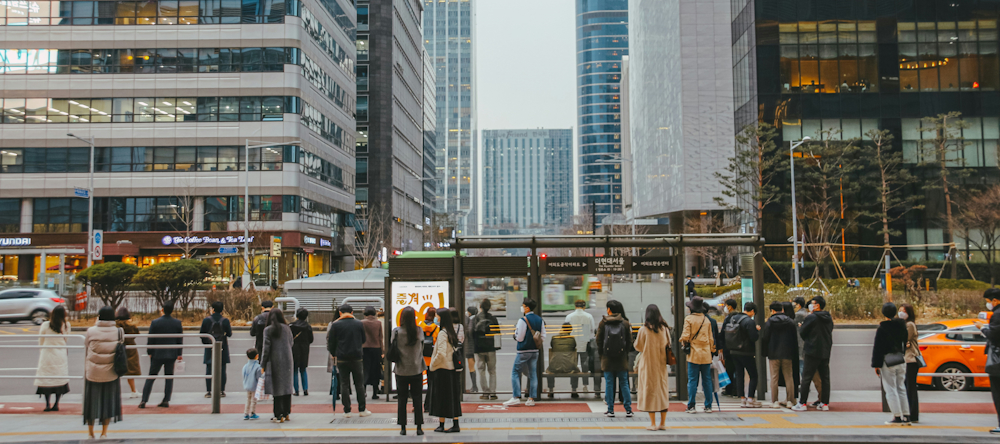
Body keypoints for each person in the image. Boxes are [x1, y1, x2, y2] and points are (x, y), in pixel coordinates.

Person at [83, 306, 123, 439]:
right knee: (108, 402)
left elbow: (87, 346)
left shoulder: (91, 331)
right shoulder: (119, 332)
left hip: (93, 372)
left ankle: (90, 433)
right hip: (111, 372)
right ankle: (104, 433)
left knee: (91, 403)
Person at [327, 304, 370, 417]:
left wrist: (333, 353)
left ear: (340, 313)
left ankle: (347, 410)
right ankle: (362, 409)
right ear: (352, 312)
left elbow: (331, 342)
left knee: (344, 384)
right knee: (359, 384)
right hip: (357, 357)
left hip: (342, 358)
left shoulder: (335, 325)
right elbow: (363, 339)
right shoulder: (358, 323)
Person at [871, 302, 910, 425]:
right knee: (901, 388)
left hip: (887, 361)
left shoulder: (882, 328)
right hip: (900, 359)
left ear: (883, 313)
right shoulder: (902, 326)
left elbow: (878, 348)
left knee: (890, 389)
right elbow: (905, 341)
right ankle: (907, 416)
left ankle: (897, 417)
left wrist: (876, 365)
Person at [793, 296, 834, 411]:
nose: (811, 305)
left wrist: (803, 329)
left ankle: (802, 403)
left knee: (806, 377)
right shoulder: (828, 317)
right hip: (825, 350)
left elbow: (803, 332)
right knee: (825, 377)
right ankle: (824, 403)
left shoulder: (812, 317)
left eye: (813, 303)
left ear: (818, 305)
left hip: (812, 350)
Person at [633, 304, 671, 430]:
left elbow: (638, 346)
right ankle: (663, 423)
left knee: (650, 391)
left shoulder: (643, 330)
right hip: (661, 365)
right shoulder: (664, 329)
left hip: (648, 365)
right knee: (662, 391)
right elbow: (668, 343)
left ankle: (653, 424)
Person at [140, 301, 183, 409]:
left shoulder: (155, 322)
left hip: (157, 353)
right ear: (172, 310)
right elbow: (179, 339)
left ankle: (144, 400)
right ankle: (166, 399)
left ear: (162, 310)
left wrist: (149, 352)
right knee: (169, 377)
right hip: (171, 353)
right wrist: (179, 353)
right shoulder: (177, 323)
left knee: (151, 376)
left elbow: (151, 338)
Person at [504, 298, 546, 407]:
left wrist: (515, 335)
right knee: (533, 374)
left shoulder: (523, 320)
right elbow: (543, 336)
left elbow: (520, 337)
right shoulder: (539, 319)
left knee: (515, 372)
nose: (522, 308)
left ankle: (516, 397)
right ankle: (531, 399)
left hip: (523, 350)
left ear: (527, 308)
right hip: (535, 351)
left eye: (523, 306)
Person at [392, 306, 426, 435]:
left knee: (402, 399)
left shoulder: (396, 332)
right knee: (417, 398)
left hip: (401, 370)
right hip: (416, 369)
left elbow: (392, 346)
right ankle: (419, 427)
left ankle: (403, 428)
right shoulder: (419, 331)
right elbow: (422, 348)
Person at [595, 299, 632, 417]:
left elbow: (598, 340)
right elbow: (629, 342)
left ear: (609, 310)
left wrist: (602, 355)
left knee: (609, 384)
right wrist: (624, 353)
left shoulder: (603, 322)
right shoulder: (625, 323)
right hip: (622, 358)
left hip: (607, 359)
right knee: (624, 383)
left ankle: (610, 409)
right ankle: (628, 409)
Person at [680, 296, 715, 414]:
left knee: (692, 381)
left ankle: (691, 406)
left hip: (694, 354)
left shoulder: (689, 319)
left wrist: (683, 342)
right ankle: (708, 406)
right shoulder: (707, 320)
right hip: (706, 354)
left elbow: (685, 336)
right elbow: (711, 339)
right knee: (707, 381)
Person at [429, 308, 461, 433]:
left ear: (441, 318)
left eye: (437, 316)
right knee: (452, 397)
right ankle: (454, 424)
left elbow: (441, 353)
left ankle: (442, 424)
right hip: (451, 369)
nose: (435, 318)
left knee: (441, 398)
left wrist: (433, 364)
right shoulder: (450, 331)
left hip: (442, 369)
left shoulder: (442, 333)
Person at [724, 301, 760, 407]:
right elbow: (754, 337)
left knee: (739, 374)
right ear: (752, 311)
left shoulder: (733, 318)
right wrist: (757, 330)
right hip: (746, 352)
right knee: (753, 375)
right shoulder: (749, 321)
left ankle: (742, 399)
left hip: (733, 351)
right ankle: (750, 399)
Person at [761, 301, 797, 408]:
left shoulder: (770, 322)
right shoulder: (790, 322)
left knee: (774, 377)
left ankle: (775, 401)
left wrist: (765, 352)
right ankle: (790, 400)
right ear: (782, 309)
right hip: (787, 353)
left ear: (772, 310)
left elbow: (765, 338)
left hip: (773, 353)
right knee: (789, 377)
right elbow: (794, 339)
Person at [261, 307, 294, 422]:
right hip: (288, 360)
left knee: (277, 387)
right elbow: (291, 342)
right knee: (286, 386)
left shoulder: (268, 330)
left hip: (274, 361)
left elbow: (266, 349)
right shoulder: (287, 328)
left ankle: (278, 414)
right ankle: (286, 412)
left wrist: (263, 364)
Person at [35, 305, 70, 412]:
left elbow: (41, 340)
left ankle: (47, 404)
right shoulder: (66, 325)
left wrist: (42, 350)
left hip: (47, 353)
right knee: (59, 377)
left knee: (47, 379)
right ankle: (56, 404)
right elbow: (66, 339)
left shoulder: (45, 325)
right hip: (60, 354)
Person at [976, 288, 1000, 435]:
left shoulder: (997, 315)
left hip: (997, 361)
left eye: (988, 302)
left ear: (995, 300)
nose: (988, 304)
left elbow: (993, 335)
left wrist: (982, 327)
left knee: (997, 393)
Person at [199, 301, 232, 398]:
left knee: (209, 368)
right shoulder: (225, 320)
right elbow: (229, 334)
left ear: (213, 309)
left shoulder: (206, 320)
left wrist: (206, 343)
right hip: (222, 346)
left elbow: (202, 334)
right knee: (222, 369)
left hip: (210, 346)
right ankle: (221, 390)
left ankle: (209, 391)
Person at [565, 299, 597, 398]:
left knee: (573, 367)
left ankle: (573, 388)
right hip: (585, 343)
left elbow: (566, 329)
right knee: (585, 367)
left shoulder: (569, 316)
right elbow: (593, 329)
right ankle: (585, 386)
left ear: (575, 306)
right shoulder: (589, 316)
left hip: (572, 344)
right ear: (584, 306)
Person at [473, 299, 499, 400]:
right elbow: (497, 333)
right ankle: (493, 393)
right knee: (492, 371)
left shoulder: (476, 318)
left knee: (481, 370)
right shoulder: (493, 318)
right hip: (491, 347)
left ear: (480, 306)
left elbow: (472, 333)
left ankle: (485, 392)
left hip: (479, 348)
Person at [546, 322, 579, 398]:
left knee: (549, 370)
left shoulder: (554, 338)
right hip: (569, 366)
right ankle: (574, 390)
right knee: (576, 370)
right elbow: (573, 347)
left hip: (554, 366)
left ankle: (551, 390)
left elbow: (553, 346)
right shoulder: (572, 339)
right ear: (570, 330)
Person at [900, 303, 920, 423]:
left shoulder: (910, 325)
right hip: (907, 359)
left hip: (911, 359)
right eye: (900, 310)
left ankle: (913, 414)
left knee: (910, 387)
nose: (901, 313)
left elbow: (904, 338)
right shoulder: (905, 324)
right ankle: (910, 414)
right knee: (908, 386)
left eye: (903, 311)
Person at [115, 308, 141, 398]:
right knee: (130, 372)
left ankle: (114, 391)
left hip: (118, 348)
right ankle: (133, 390)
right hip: (130, 349)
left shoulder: (116, 326)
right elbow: (137, 334)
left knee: (115, 370)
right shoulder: (131, 326)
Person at [361, 306, 384, 399]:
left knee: (365, 370)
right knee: (375, 370)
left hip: (364, 348)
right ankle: (375, 392)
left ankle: (364, 391)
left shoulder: (361, 323)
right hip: (376, 348)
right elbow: (380, 337)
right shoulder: (378, 323)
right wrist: (382, 350)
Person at [290, 308, 314, 396]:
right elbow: (311, 339)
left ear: (297, 315)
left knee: (295, 369)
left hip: (294, 348)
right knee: (303, 369)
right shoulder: (308, 326)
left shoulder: (291, 326)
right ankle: (305, 389)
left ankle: (296, 390)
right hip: (304, 348)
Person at [419, 307, 439, 411]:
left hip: (420, 359)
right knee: (431, 384)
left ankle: (417, 405)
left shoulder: (419, 327)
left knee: (418, 383)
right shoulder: (437, 328)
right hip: (432, 359)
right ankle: (428, 405)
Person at [720, 298, 739, 397]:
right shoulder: (739, 317)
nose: (725, 307)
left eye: (726, 305)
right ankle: (737, 389)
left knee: (729, 370)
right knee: (737, 369)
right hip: (738, 347)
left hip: (728, 347)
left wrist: (721, 347)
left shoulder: (728, 318)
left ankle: (729, 389)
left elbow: (723, 334)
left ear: (730, 306)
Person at [242, 348, 262, 420]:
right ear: (257, 356)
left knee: (248, 399)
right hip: (254, 386)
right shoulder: (257, 367)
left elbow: (243, 375)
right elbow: (259, 376)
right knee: (254, 400)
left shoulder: (245, 366)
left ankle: (246, 413)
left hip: (247, 385)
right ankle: (252, 413)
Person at [465, 306, 479, 394]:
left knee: (471, 367)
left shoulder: (470, 320)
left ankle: (474, 386)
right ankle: (474, 386)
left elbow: (469, 332)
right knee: (472, 366)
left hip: (469, 346)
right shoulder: (477, 319)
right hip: (475, 345)